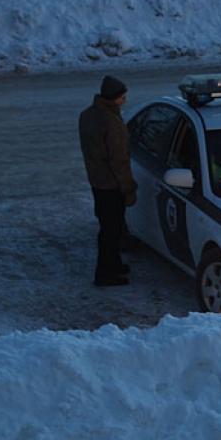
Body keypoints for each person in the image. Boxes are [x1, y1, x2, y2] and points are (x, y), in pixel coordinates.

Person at [78, 74, 137, 286]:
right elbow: (119, 159)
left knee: (108, 225)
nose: (125, 100)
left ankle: (113, 263)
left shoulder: (87, 115)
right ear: (114, 98)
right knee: (111, 230)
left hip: (97, 180)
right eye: (123, 97)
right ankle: (105, 273)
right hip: (111, 184)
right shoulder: (111, 122)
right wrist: (128, 187)